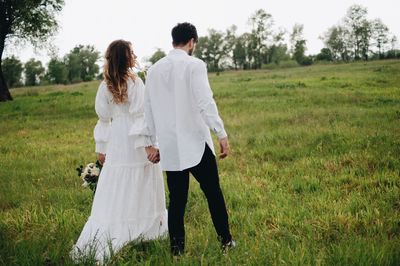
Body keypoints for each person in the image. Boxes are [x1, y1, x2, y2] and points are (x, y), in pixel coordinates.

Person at [71, 40, 167, 262]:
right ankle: (140, 230)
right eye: (131, 53)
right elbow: (140, 117)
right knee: (138, 180)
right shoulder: (135, 83)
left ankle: (130, 227)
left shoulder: (104, 85)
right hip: (132, 140)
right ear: (128, 58)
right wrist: (149, 146)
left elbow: (104, 119)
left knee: (119, 182)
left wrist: (102, 148)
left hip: (117, 138)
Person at [144, 22, 235, 256]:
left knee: (177, 201)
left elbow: (149, 108)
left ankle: (176, 252)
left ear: (173, 40)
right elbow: (205, 102)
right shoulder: (195, 65)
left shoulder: (153, 70)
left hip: (170, 146)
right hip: (196, 142)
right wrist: (221, 133)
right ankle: (226, 241)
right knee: (213, 193)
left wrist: (151, 142)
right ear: (192, 42)